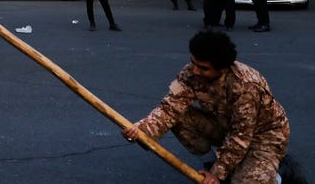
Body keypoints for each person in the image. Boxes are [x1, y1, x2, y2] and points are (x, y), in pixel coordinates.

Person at [121, 30, 289, 184]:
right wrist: (141, 131)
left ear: (222, 68)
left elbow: (240, 137)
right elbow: (169, 109)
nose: (195, 71)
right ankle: (222, 162)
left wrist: (217, 173)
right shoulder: (190, 73)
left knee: (246, 180)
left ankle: (271, 174)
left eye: (203, 68)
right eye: (193, 63)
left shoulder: (245, 86)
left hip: (262, 138)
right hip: (226, 126)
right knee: (179, 114)